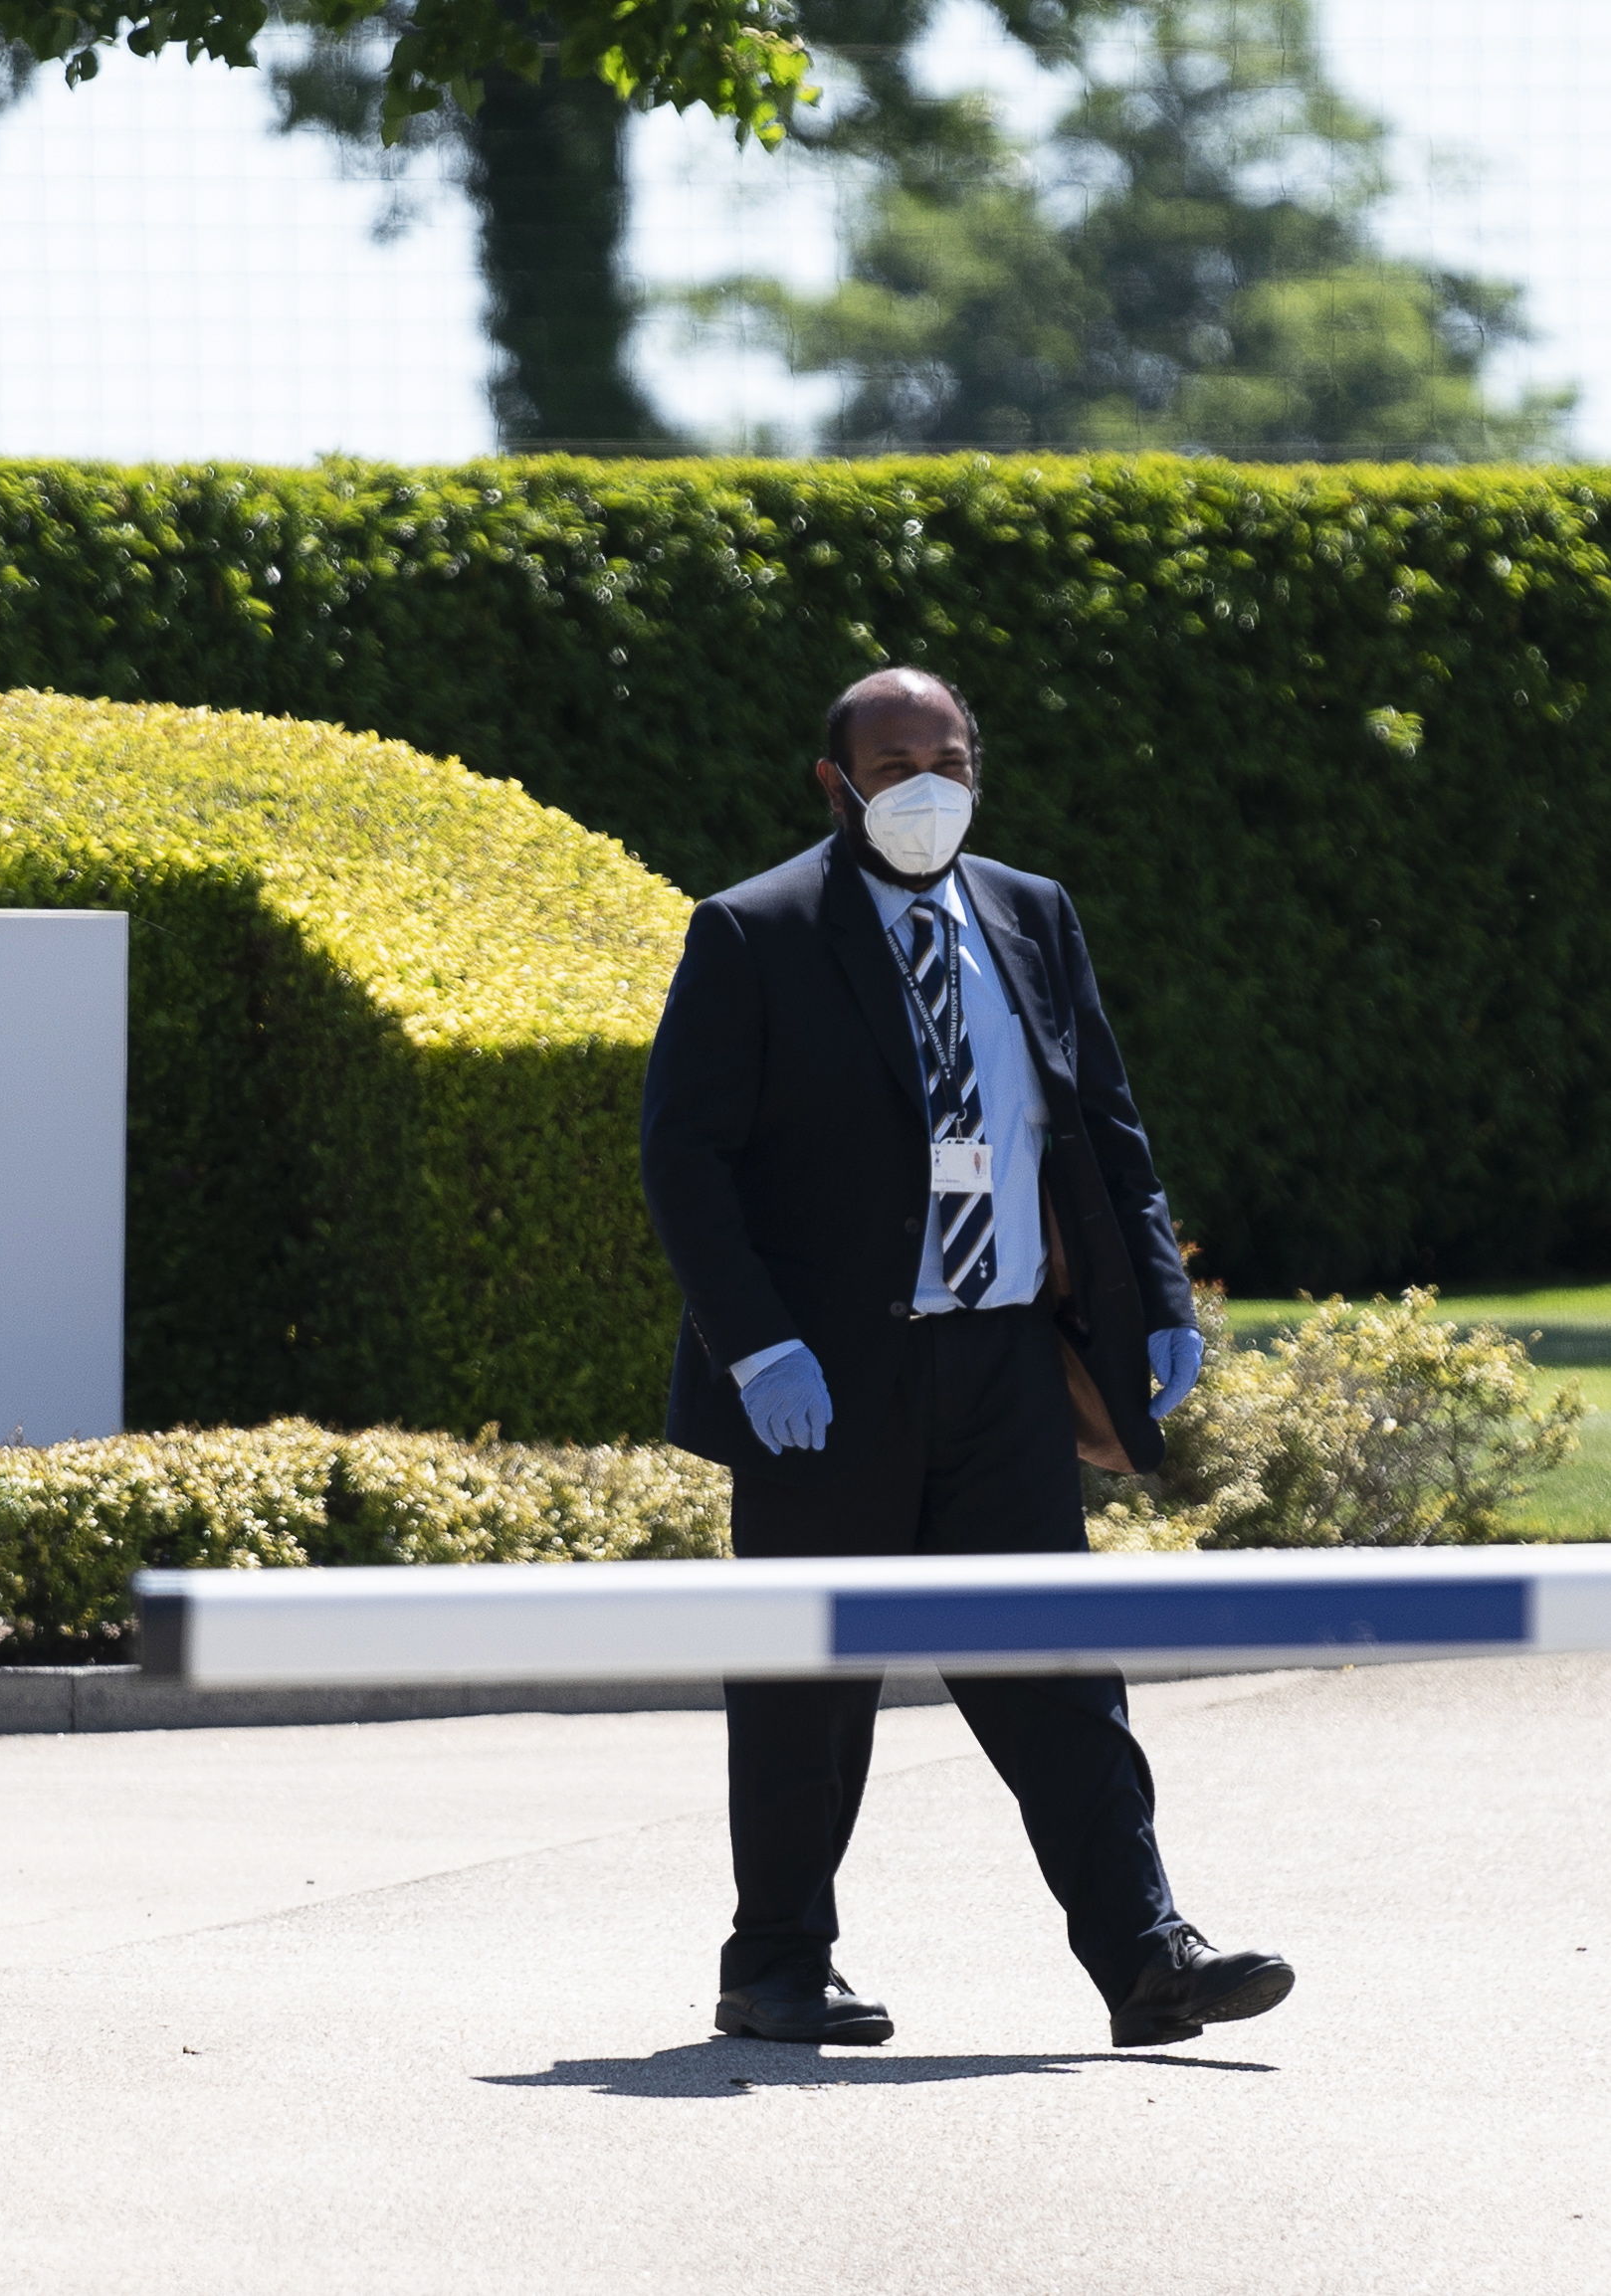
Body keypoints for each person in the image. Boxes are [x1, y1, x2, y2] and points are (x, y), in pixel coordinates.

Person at [636, 666, 1292, 2050]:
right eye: (890, 763)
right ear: (834, 785)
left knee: (1058, 1670)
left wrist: (1160, 1298)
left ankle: (1145, 1958)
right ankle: (774, 1968)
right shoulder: (753, 933)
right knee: (809, 1687)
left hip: (999, 1368)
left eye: (948, 756)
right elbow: (682, 1160)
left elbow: (1103, 1125)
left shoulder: (1030, 914)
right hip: (827, 1381)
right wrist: (757, 1350)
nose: (924, 784)